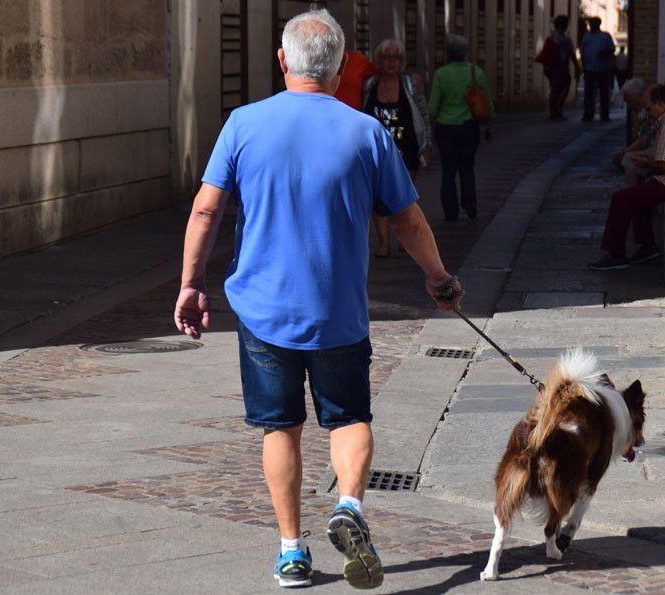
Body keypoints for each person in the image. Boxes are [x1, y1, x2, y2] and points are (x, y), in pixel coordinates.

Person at [173, 9, 463, 589]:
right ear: (340, 71)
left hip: (262, 312)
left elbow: (206, 209)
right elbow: (406, 220)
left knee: (279, 428)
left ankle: (291, 553)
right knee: (349, 418)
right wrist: (437, 276)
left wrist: (190, 283)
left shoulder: (243, 124)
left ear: (283, 62)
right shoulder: (366, 132)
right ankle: (350, 507)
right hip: (338, 312)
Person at [588, 84, 665, 271]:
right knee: (638, 193)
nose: (647, 112)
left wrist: (646, 163)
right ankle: (647, 246)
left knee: (622, 198)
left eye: (649, 108)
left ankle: (616, 253)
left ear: (661, 104)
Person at [363, 39, 432, 257]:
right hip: (376, 151)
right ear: (379, 60)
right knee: (377, 197)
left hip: (406, 149)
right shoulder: (368, 84)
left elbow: (423, 115)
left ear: (402, 62)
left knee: (404, 198)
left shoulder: (410, 85)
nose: (391, 61)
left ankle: (405, 239)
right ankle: (384, 244)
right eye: (386, 57)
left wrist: (426, 145)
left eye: (396, 57)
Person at [428, 34, 495, 222]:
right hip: (468, 127)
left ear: (448, 53)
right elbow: (487, 102)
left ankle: (451, 211)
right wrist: (490, 123)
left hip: (445, 127)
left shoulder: (441, 74)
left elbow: (433, 106)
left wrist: (429, 119)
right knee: (467, 166)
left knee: (448, 170)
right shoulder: (476, 72)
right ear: (466, 52)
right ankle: (470, 201)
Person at [611, 79, 657, 186]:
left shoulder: (645, 110)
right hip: (653, 147)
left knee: (627, 159)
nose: (628, 106)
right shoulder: (643, 110)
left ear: (639, 97)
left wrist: (624, 152)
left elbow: (643, 141)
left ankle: (633, 192)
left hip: (656, 147)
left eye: (629, 101)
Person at [538, 14, 582, 121]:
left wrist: (577, 66)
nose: (566, 26)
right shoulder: (552, 39)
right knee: (555, 89)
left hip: (563, 67)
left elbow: (571, 54)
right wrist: (546, 67)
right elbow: (546, 54)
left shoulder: (567, 39)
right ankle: (554, 111)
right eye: (565, 24)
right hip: (555, 68)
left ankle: (558, 109)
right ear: (559, 25)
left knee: (564, 89)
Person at [579, 17, 615, 122]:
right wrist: (583, 66)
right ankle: (588, 113)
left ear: (598, 24)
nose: (591, 25)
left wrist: (605, 52)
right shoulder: (586, 37)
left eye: (593, 23)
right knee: (588, 92)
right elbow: (582, 52)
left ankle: (604, 114)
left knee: (604, 92)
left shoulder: (605, 36)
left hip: (602, 68)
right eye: (590, 23)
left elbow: (612, 49)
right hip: (589, 68)